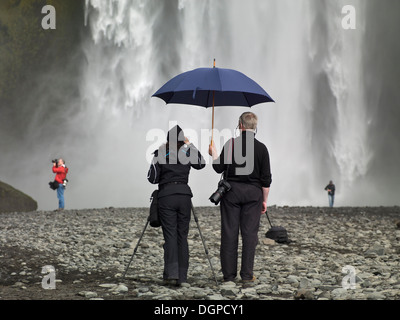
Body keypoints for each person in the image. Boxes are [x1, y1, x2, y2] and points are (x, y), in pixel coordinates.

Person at [208, 112, 272, 282]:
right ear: (254, 127)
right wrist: (264, 201)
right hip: (253, 194)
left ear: (240, 125)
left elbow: (218, 167)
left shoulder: (231, 144)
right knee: (250, 235)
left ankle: (229, 275)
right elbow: (266, 180)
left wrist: (213, 153)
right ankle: (247, 275)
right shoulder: (262, 148)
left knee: (229, 233)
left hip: (231, 193)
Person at [147, 125, 206, 286]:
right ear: (182, 139)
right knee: (182, 236)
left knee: (170, 236)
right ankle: (183, 276)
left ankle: (171, 273)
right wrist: (190, 145)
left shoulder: (160, 153)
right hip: (184, 196)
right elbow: (201, 163)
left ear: (167, 139)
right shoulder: (187, 152)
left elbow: (152, 178)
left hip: (167, 196)